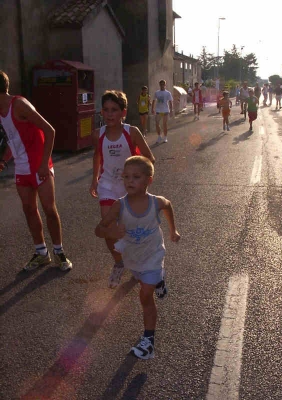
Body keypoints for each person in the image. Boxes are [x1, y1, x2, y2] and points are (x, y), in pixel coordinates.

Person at [95, 155, 180, 359]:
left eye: (135, 177)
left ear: (148, 180)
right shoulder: (119, 206)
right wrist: (112, 233)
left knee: (145, 295)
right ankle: (159, 280)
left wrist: (172, 231)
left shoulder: (156, 202)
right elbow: (99, 230)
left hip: (153, 254)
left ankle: (148, 341)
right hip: (133, 258)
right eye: (126, 177)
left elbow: (168, 205)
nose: (129, 181)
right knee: (146, 281)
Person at [0, 70, 72, 271]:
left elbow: (50, 130)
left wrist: (43, 164)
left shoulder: (19, 104)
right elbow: (14, 139)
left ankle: (59, 252)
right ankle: (41, 253)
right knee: (29, 209)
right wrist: (4, 160)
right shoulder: (1, 111)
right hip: (21, 168)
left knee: (49, 209)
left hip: (39, 166)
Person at [89, 90, 155, 288]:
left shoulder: (131, 132)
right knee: (108, 227)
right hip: (108, 185)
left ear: (123, 112)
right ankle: (119, 263)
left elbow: (149, 158)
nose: (110, 114)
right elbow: (97, 156)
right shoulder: (98, 134)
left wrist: (138, 178)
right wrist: (94, 180)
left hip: (130, 188)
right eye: (106, 110)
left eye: (114, 110)